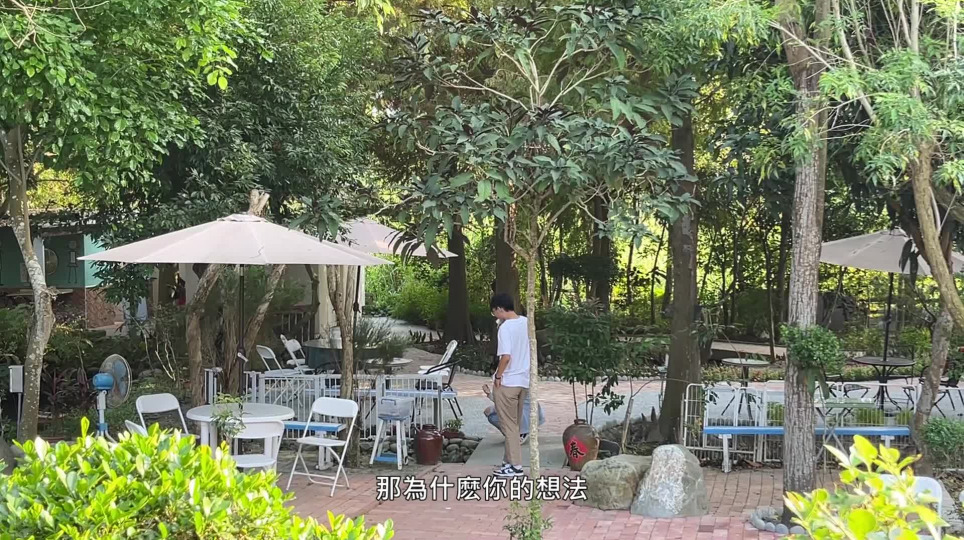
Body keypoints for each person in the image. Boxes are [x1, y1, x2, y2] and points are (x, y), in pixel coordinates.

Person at [490, 293, 530, 478]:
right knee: (515, 424)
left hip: (508, 382)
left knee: (509, 426)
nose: (495, 315)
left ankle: (515, 466)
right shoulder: (526, 322)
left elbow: (506, 357)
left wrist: (498, 376)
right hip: (523, 381)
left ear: (499, 308)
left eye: (494, 312)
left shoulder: (505, 328)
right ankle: (508, 462)